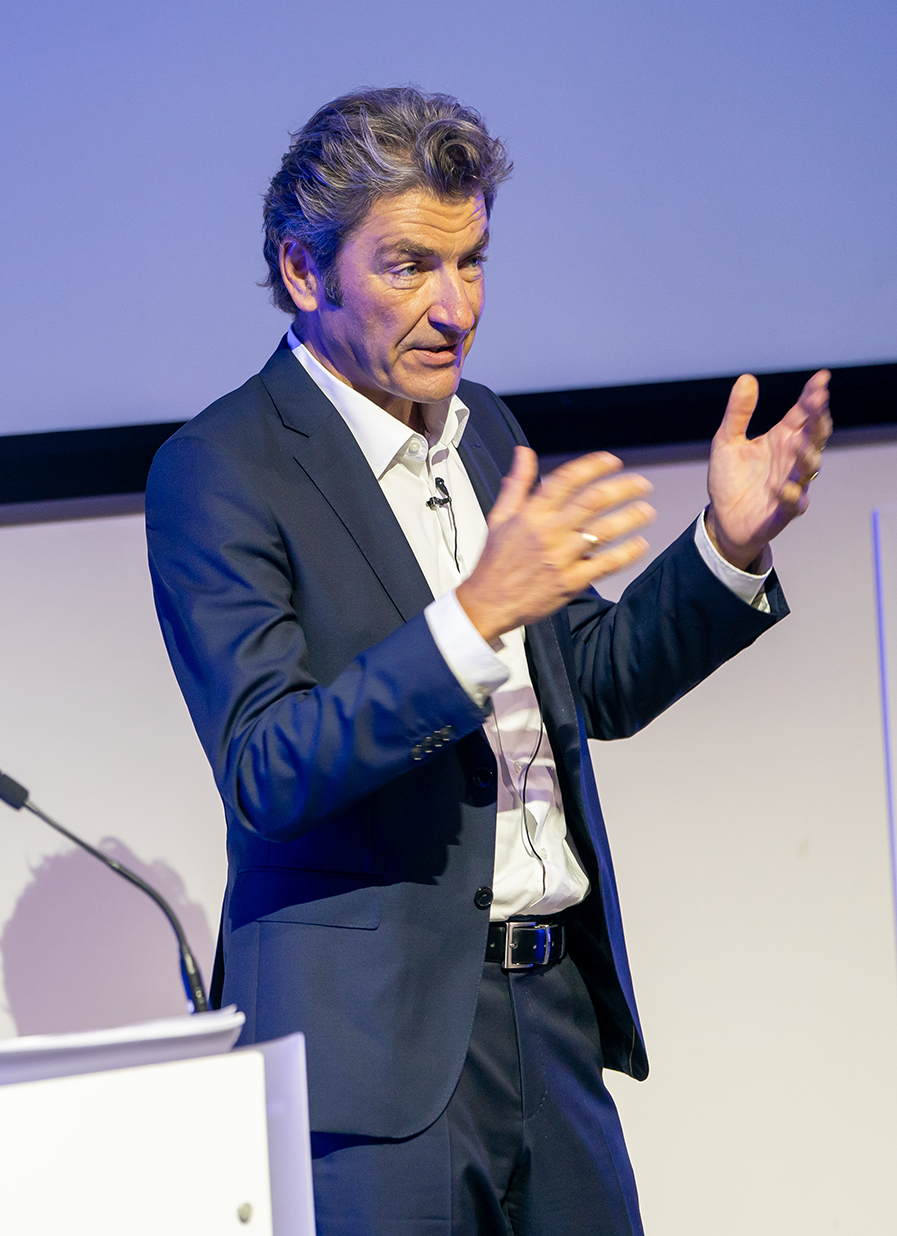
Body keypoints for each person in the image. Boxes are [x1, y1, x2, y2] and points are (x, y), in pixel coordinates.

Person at [145, 87, 831, 1236]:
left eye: (472, 264)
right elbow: (268, 764)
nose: (454, 307)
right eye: (411, 265)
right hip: (376, 1062)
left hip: (551, 1014)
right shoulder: (222, 468)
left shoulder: (488, 431)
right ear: (304, 273)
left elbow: (592, 679)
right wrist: (471, 619)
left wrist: (726, 546)